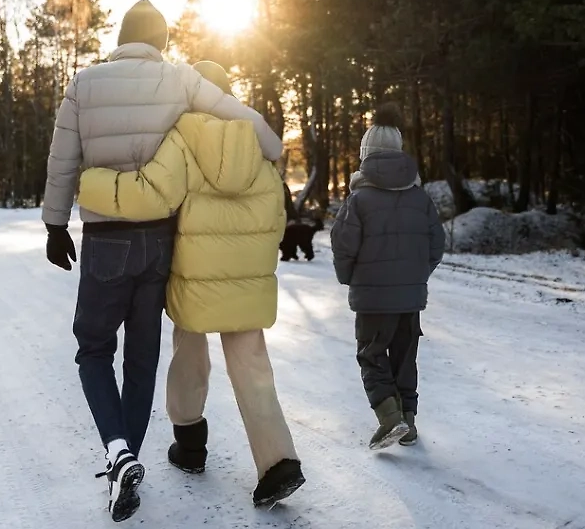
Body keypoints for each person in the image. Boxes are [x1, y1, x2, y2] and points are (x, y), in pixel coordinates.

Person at [41, 3, 283, 522]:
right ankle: (125, 460)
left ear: (121, 37)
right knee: (143, 355)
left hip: (106, 238)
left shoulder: (84, 82)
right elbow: (242, 118)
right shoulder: (178, 79)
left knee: (93, 349)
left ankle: (118, 452)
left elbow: (62, 158)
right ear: (161, 42)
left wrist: (54, 223)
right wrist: (272, 147)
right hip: (159, 241)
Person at [77, 61, 304, 508]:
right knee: (253, 367)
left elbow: (150, 194)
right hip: (246, 280)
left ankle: (190, 444)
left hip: (193, 277)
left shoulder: (184, 137)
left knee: (189, 354)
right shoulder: (257, 144)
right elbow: (278, 216)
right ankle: (279, 463)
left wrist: (90, 183)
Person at [330, 103, 445, 450]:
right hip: (410, 298)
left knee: (371, 354)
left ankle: (389, 417)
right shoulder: (419, 197)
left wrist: (351, 277)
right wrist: (414, 276)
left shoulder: (359, 198)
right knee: (404, 357)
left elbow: (342, 245)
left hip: (373, 297)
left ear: (366, 153)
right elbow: (436, 244)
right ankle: (408, 423)